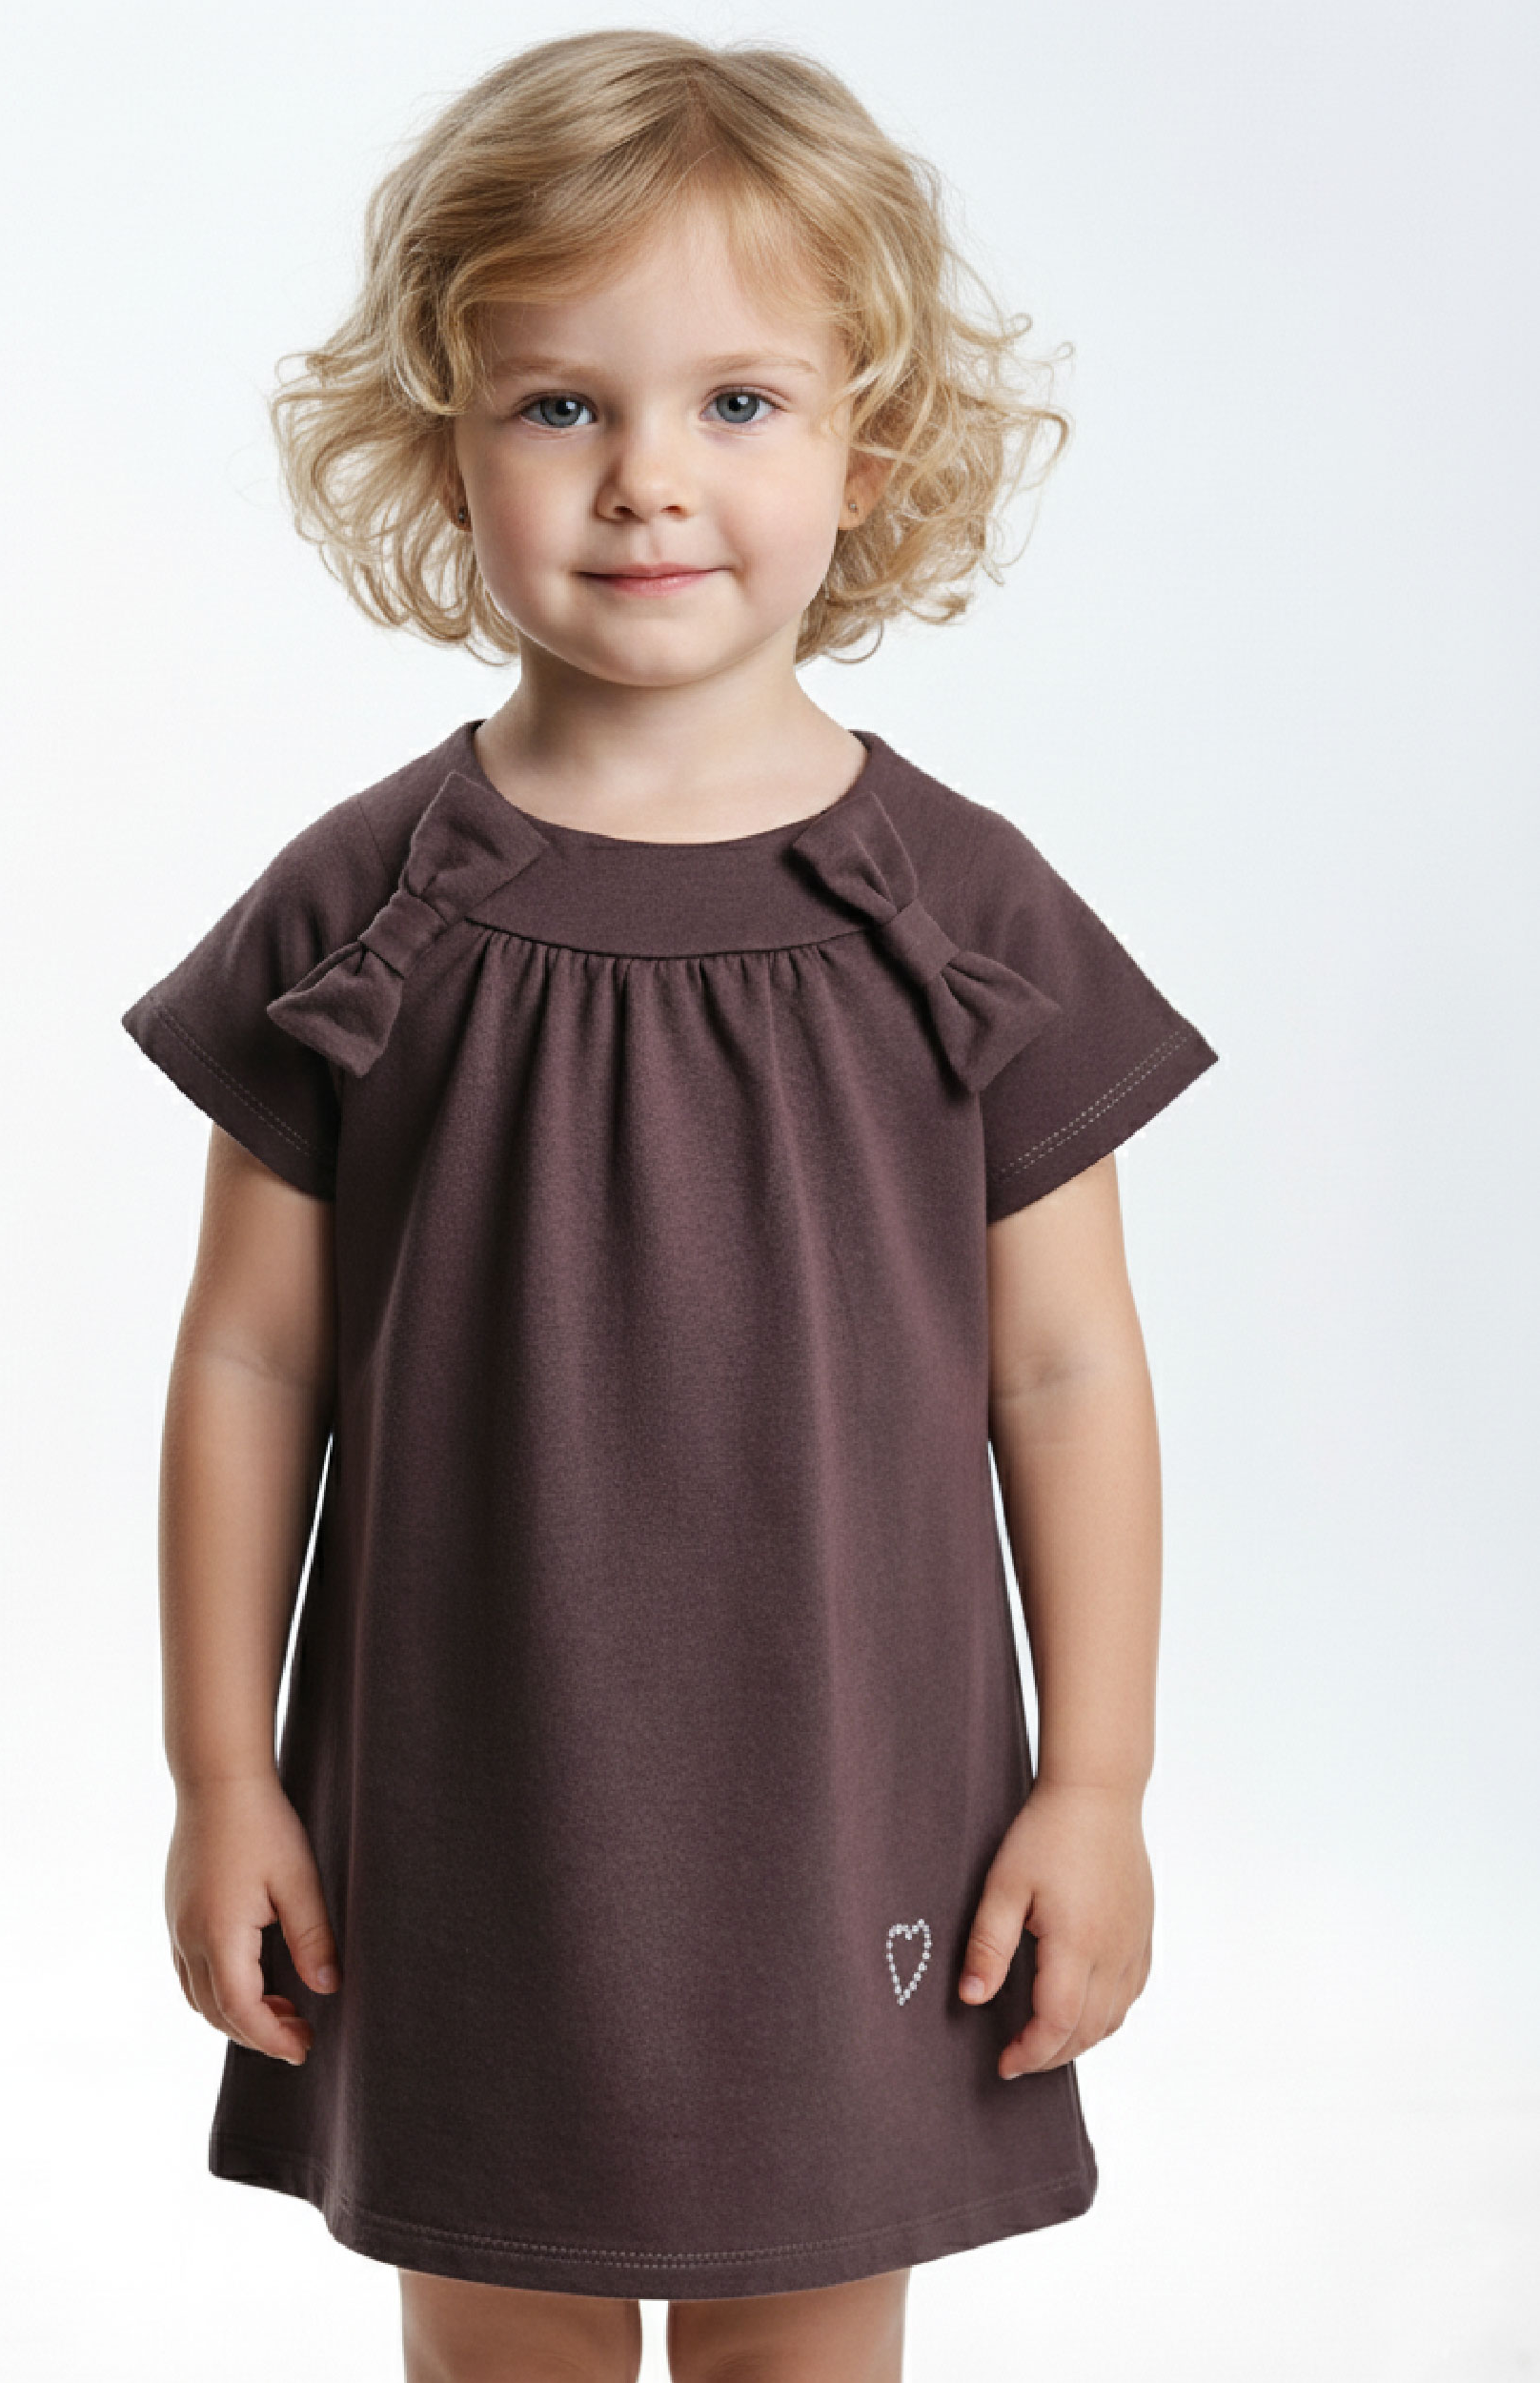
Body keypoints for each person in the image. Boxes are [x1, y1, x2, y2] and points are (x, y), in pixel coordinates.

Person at [120, 29, 1219, 2383]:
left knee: (798, 2341)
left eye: (736, 402)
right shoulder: (362, 908)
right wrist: (222, 1773)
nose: (646, 479)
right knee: (496, 2331)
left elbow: (1062, 1366)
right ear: (443, 445)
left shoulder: (960, 914)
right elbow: (248, 1353)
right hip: (467, 1802)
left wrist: (1097, 1780)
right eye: (559, 405)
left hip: (854, 1809)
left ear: (866, 448)